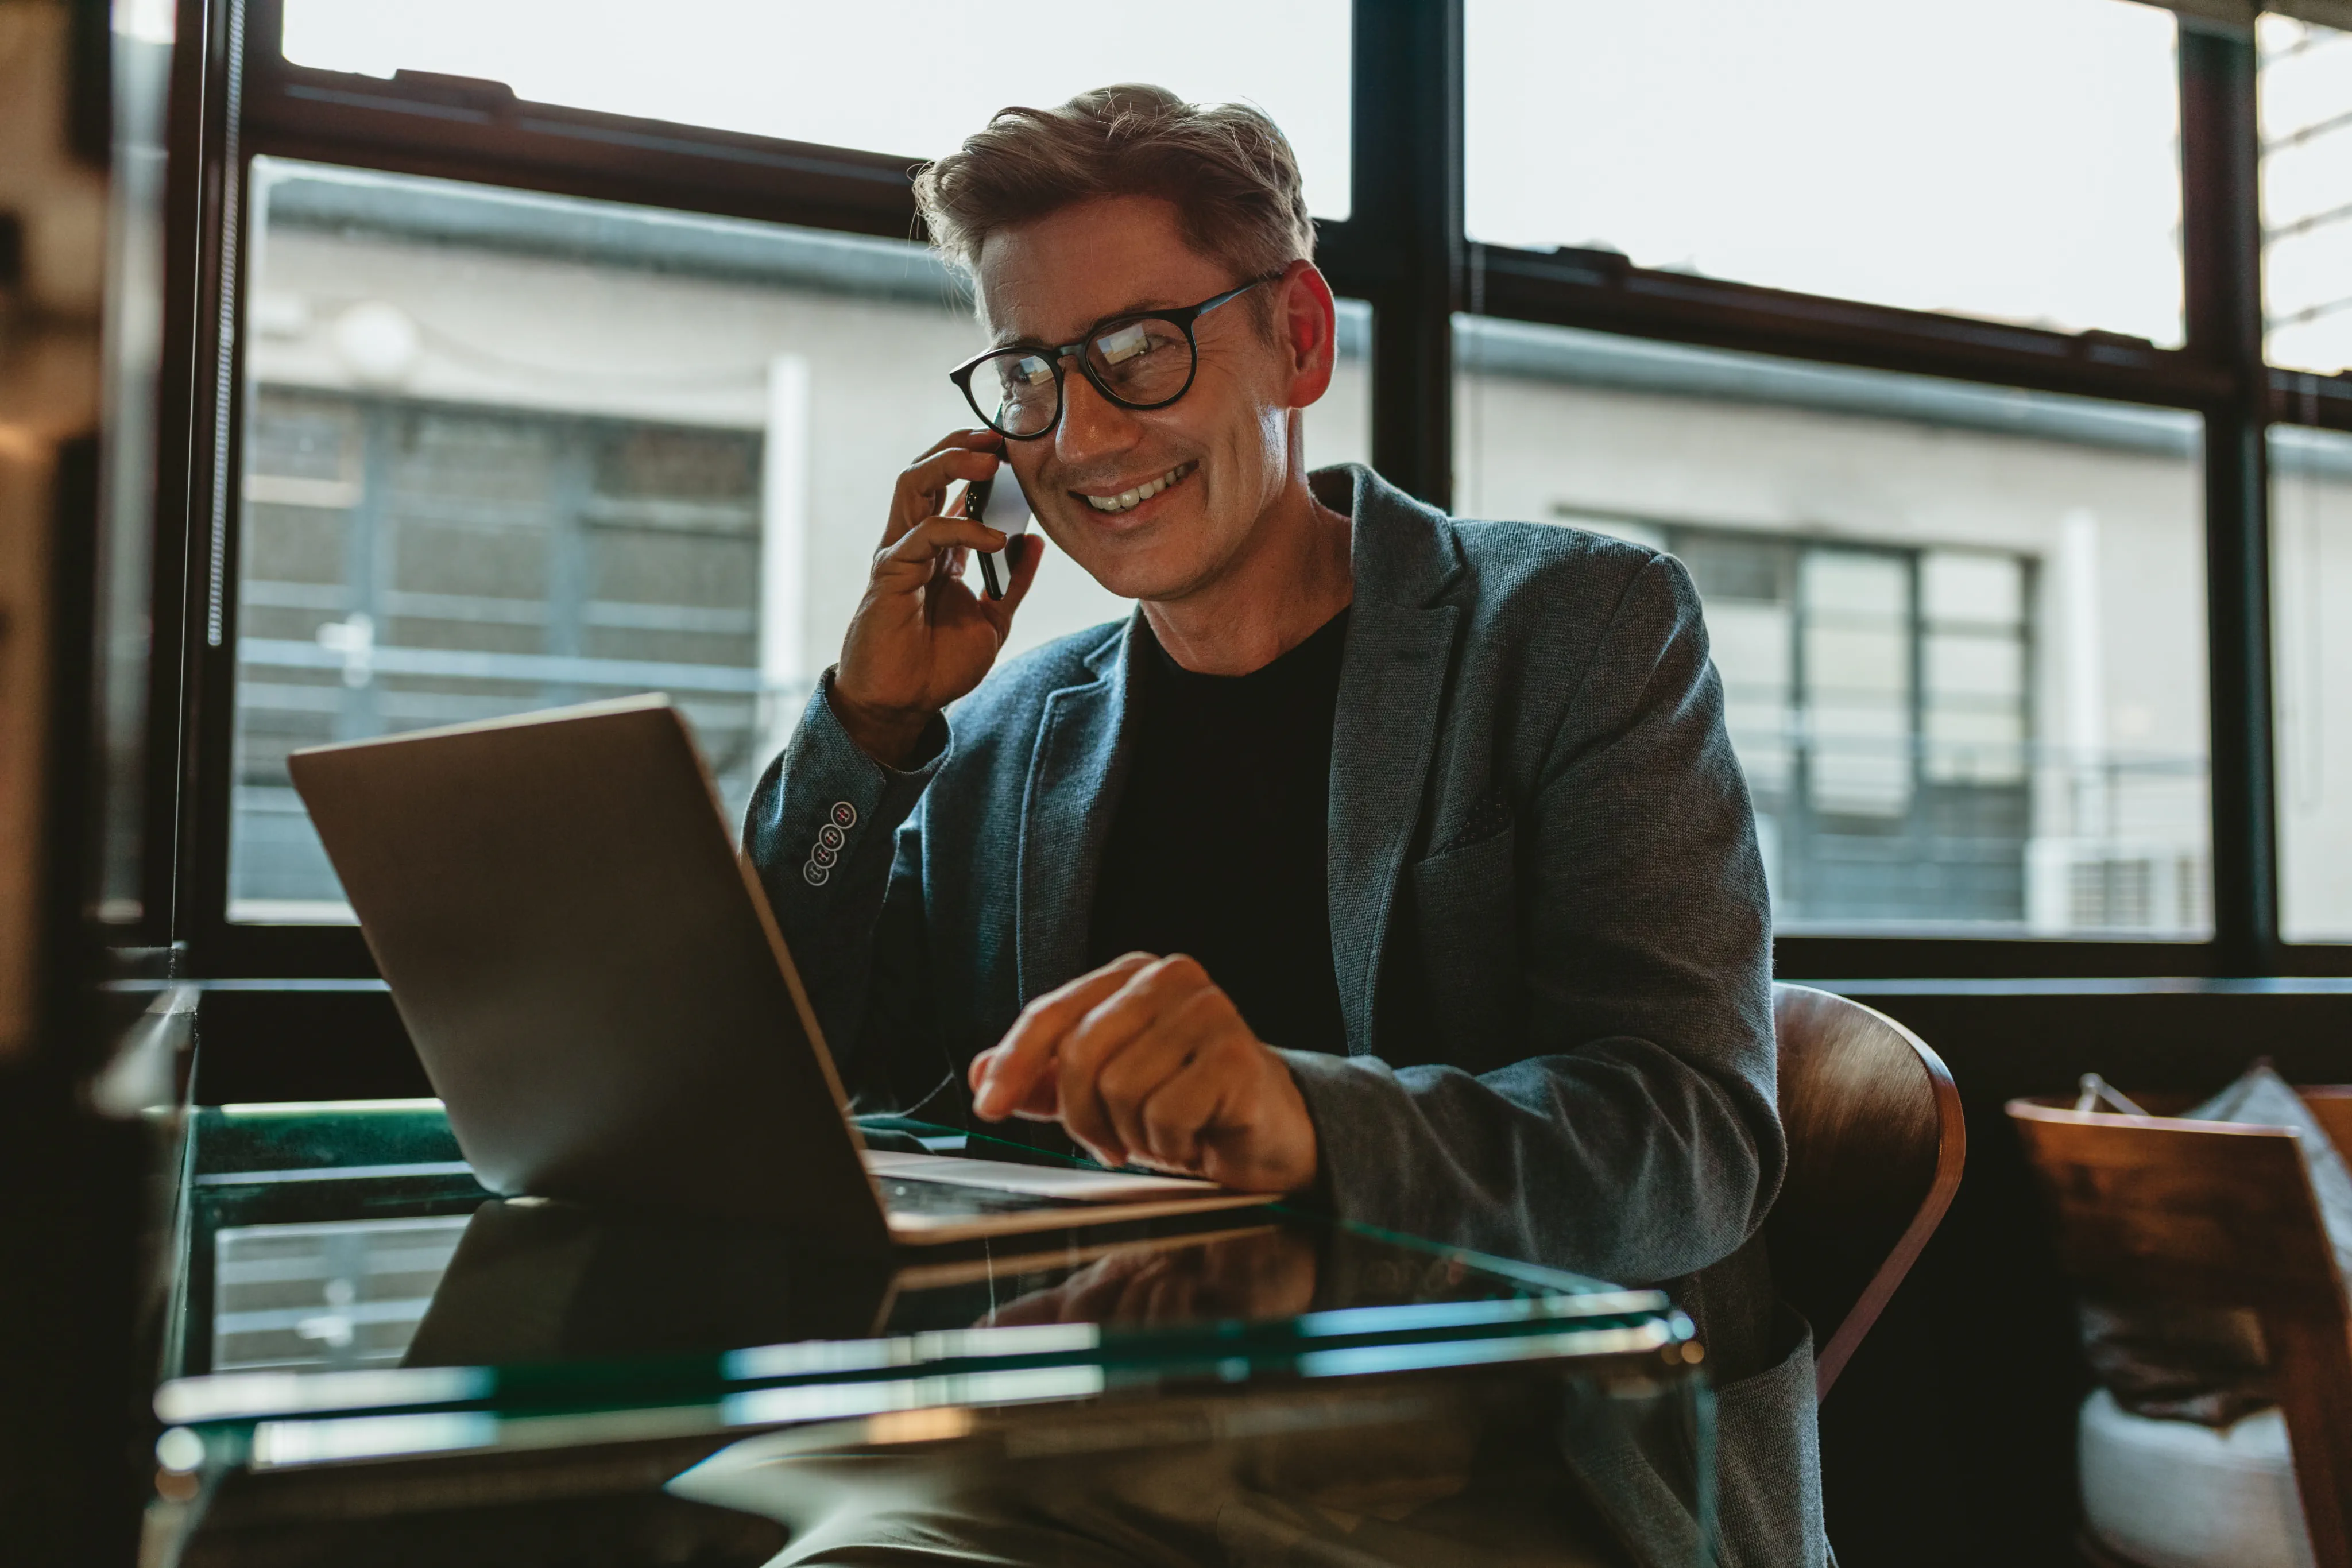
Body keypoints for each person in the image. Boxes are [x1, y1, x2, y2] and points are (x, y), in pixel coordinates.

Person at [746, 84, 1824, 1565]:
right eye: (1030, 377)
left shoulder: (1573, 627)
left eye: (1140, 349)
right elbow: (810, 1079)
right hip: (1113, 1434)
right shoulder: (1007, 734)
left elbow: (1691, 1145)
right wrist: (868, 735)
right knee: (730, 1522)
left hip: (1523, 1453)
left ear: (1299, 340)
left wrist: (1304, 1120)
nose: (1082, 434)